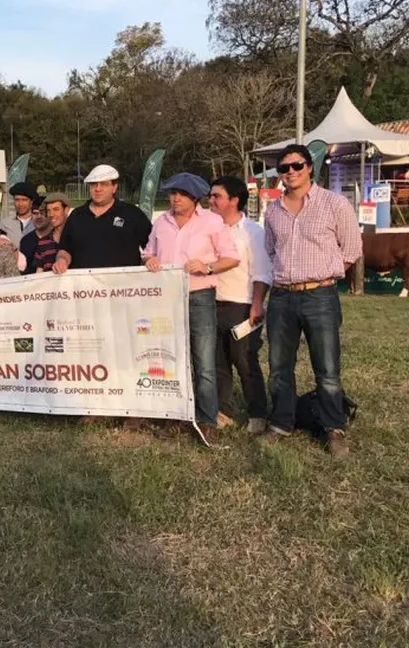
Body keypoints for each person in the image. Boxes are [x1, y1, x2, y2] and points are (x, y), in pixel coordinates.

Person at [260, 143, 363, 458]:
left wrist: (324, 276)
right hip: (281, 296)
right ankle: (280, 424)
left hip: (320, 294)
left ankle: (334, 428)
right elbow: (271, 249)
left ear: (309, 168)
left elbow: (351, 249)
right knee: (279, 366)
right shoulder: (273, 211)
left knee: (327, 367)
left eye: (296, 166)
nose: (290, 172)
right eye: (284, 168)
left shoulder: (335, 204)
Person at [143, 172, 240, 442]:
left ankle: (207, 419)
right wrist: (149, 259)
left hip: (199, 296)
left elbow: (231, 258)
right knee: (172, 358)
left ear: (194, 198)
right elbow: (148, 251)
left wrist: (207, 266)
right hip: (166, 297)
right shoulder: (161, 222)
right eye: (172, 193)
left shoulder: (212, 222)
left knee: (204, 360)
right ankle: (176, 416)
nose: (175, 198)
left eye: (181, 194)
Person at [209, 176, 272, 433]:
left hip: (241, 304)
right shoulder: (208, 228)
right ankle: (223, 411)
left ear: (234, 201)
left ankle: (258, 413)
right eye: (210, 196)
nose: (210, 201)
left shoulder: (253, 232)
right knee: (217, 361)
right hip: (211, 303)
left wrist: (256, 305)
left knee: (245, 361)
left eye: (217, 196)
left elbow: (262, 273)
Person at [53, 164, 152, 274]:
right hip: (84, 287)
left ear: (114, 187)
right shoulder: (77, 216)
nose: (98, 188)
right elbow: (65, 249)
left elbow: (151, 247)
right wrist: (62, 260)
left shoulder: (132, 214)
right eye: (94, 184)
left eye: (104, 184)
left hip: (124, 287)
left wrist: (149, 259)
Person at [34, 192, 70, 272]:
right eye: (48, 210)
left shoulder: (78, 237)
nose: (51, 214)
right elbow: (39, 274)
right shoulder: (42, 242)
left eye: (56, 209)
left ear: (66, 210)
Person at [0, 182, 37, 247]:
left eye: (24, 200)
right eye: (17, 200)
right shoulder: (5, 223)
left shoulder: (39, 222)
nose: (20, 204)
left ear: (31, 202)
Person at [19, 195, 48, 274]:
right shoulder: (25, 241)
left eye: (42, 213)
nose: (38, 217)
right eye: (35, 213)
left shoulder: (56, 237)